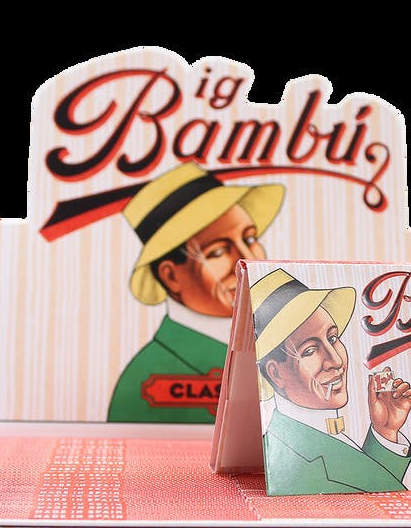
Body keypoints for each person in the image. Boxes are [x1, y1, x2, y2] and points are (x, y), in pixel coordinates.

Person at [108, 163, 284, 423]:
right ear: (171, 276)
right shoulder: (148, 378)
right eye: (218, 252)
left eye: (249, 239)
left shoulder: (277, 345)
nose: (247, 261)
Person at [251, 268, 411, 495]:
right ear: (276, 374)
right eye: (310, 350)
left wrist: (385, 431)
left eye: (332, 337)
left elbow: (365, 483)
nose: (336, 360)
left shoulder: (322, 434)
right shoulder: (291, 453)